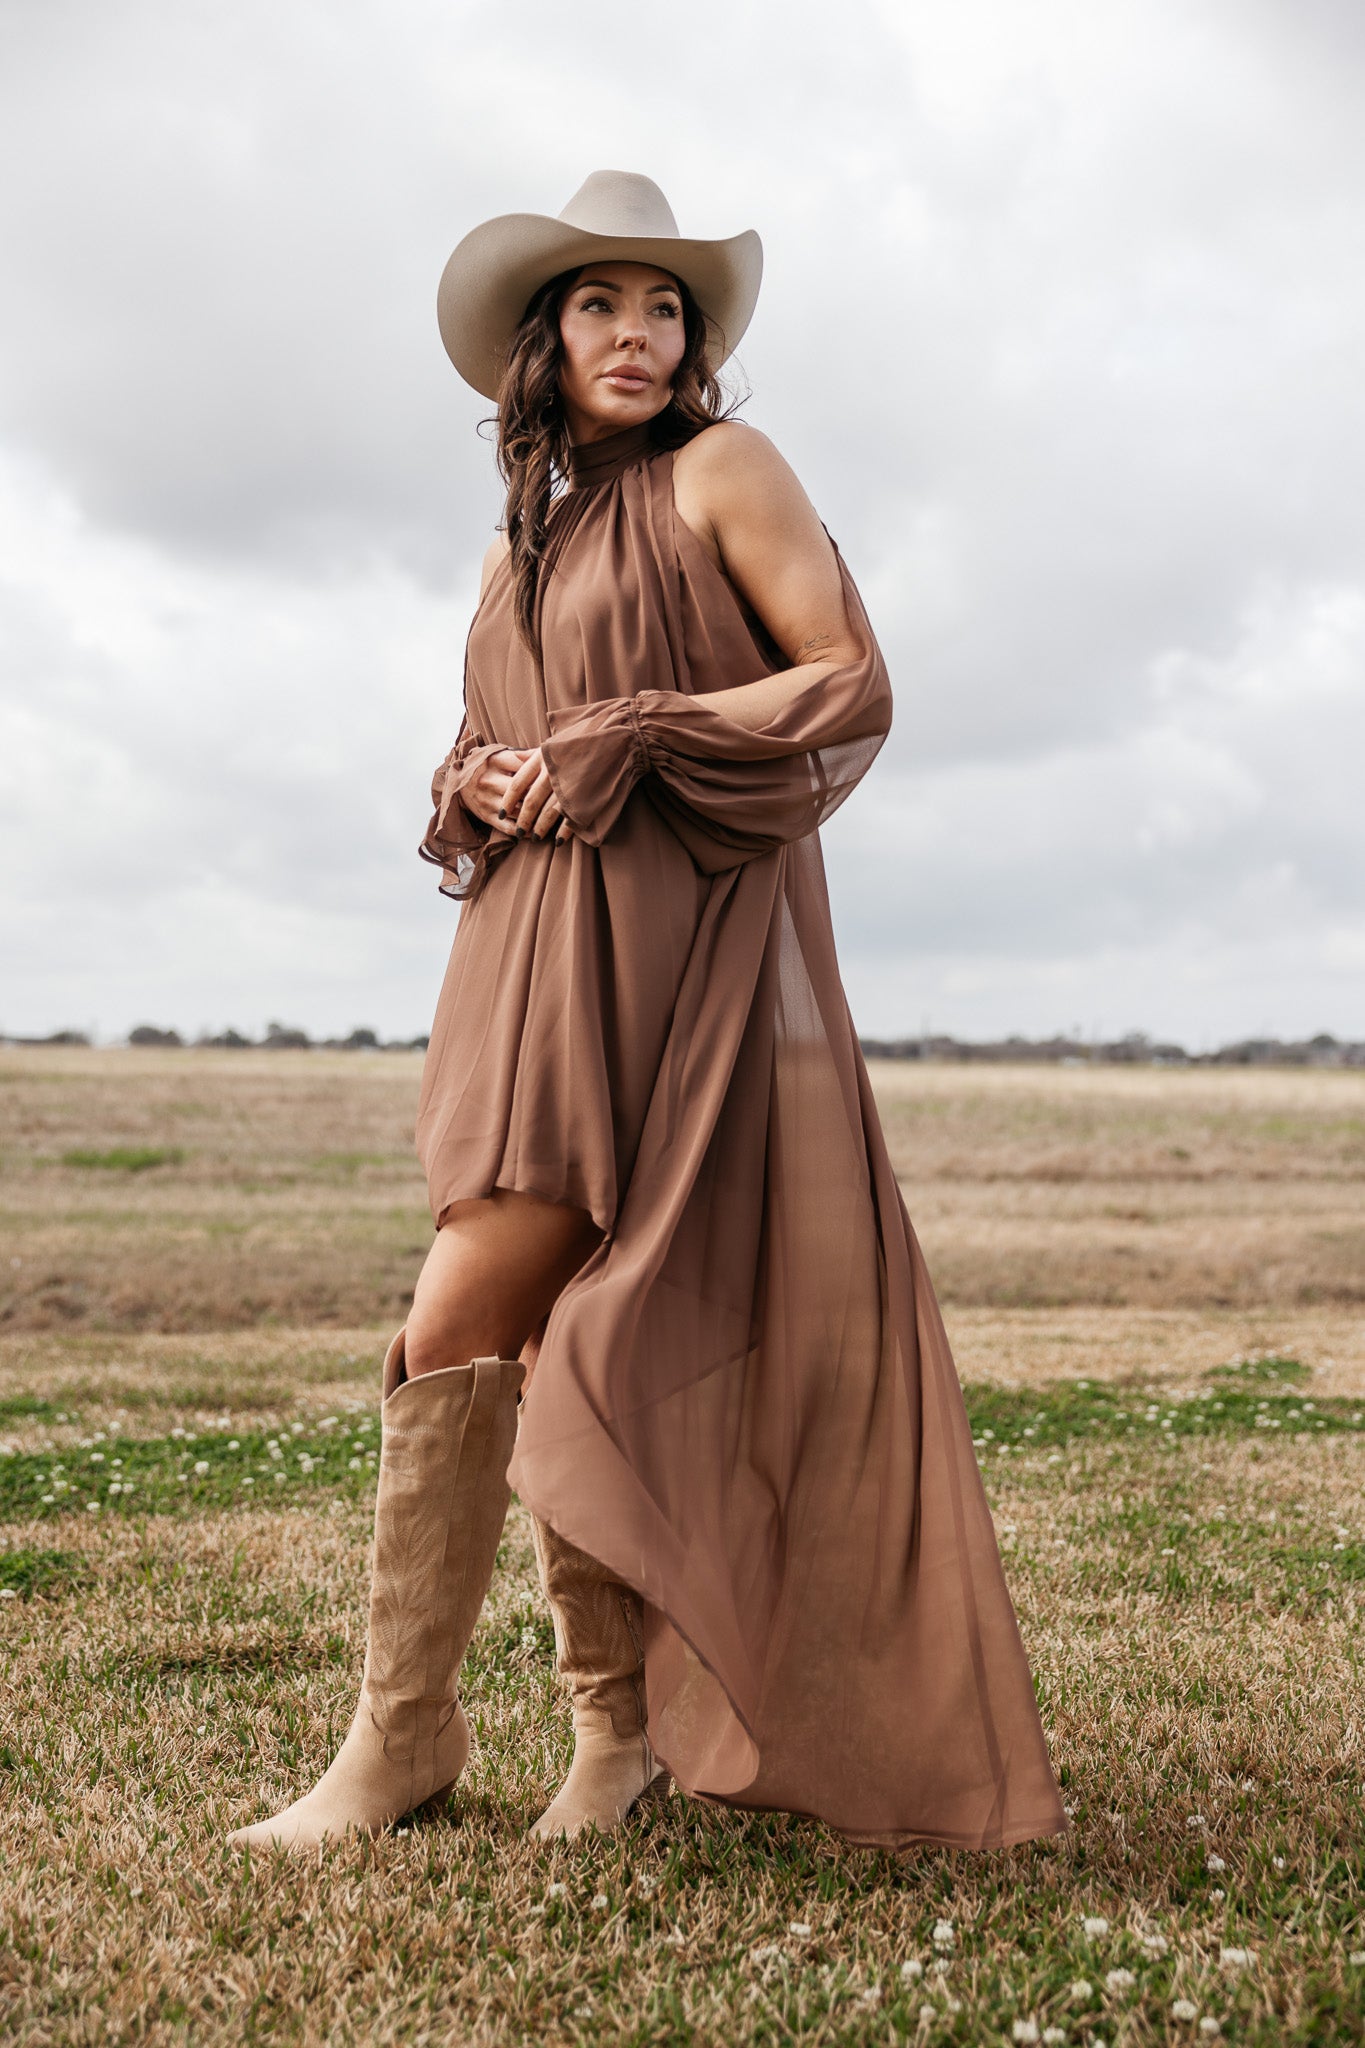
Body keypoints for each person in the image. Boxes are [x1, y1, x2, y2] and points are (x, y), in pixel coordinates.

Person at [230, 171, 1067, 1853]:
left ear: (694, 344)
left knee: (460, 1315)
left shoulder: (722, 470)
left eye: (664, 307)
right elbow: (515, 725)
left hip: (675, 953)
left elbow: (841, 677)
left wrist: (637, 728)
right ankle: (601, 1743)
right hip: (531, 952)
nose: (637, 334)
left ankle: (403, 1743)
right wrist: (476, 774)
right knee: (535, 1335)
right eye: (602, 304)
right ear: (543, 342)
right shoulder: (515, 537)